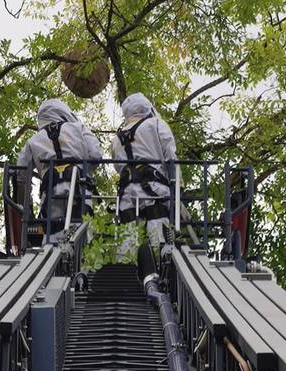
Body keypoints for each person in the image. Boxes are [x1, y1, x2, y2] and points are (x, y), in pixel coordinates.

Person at [111, 93, 181, 283]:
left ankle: (125, 280)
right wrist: (177, 194)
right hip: (155, 191)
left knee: (128, 239)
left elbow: (118, 166)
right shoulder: (156, 124)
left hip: (127, 196)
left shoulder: (117, 138)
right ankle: (162, 278)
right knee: (158, 237)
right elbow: (171, 157)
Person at [15, 99, 103, 242]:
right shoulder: (78, 128)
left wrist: (26, 208)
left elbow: (21, 176)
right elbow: (96, 155)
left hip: (51, 192)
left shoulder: (33, 141)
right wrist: (85, 170)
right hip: (79, 188)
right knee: (82, 236)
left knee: (52, 237)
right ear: (64, 111)